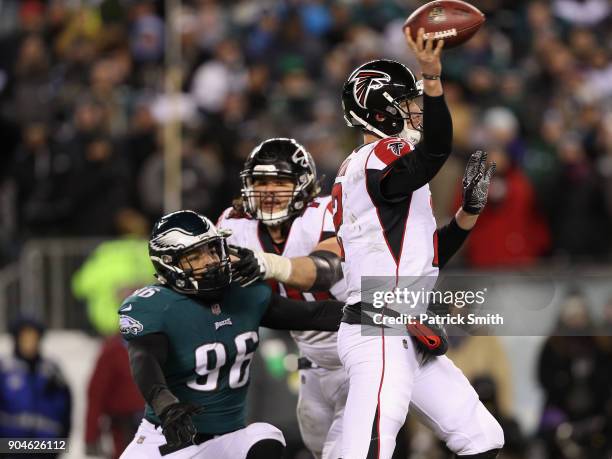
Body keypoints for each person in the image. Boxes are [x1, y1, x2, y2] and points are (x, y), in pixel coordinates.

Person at [331, 29, 504, 458]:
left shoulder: (378, 171)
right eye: (405, 103)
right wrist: (431, 78)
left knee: (484, 438)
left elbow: (430, 255)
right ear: (380, 112)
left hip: (402, 323)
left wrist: (468, 213)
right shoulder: (377, 157)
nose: (414, 110)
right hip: (380, 327)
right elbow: (436, 150)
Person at [118, 210, 345, 459]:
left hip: (227, 439)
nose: (210, 260)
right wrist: (166, 405)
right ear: (168, 263)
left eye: (212, 249)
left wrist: (388, 311)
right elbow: (144, 359)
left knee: (265, 437)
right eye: (195, 256)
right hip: (168, 438)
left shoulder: (244, 292)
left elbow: (315, 314)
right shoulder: (155, 306)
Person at [216, 137, 348, 459]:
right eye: (260, 181)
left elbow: (326, 269)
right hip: (311, 358)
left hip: (359, 347)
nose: (269, 191)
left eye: (280, 181)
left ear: (302, 185)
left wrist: (270, 265)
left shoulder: (323, 215)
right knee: (317, 446)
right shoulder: (234, 226)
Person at [0, 317, 71, 458]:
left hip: (46, 449)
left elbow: (66, 413)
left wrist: (57, 446)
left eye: (33, 338)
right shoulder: (4, 370)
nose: (29, 343)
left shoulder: (52, 372)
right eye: (24, 338)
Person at [85, 334, 145, 458]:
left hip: (156, 431)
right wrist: (91, 435)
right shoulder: (113, 352)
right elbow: (96, 394)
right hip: (124, 431)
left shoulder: (158, 346)